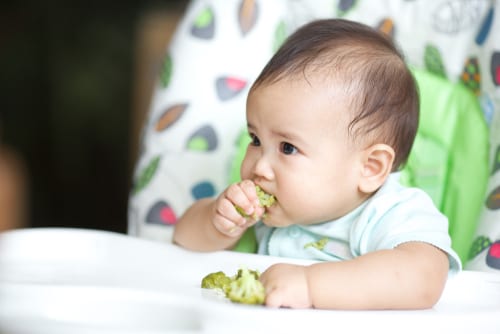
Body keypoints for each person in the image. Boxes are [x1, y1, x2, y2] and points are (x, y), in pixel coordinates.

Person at [173, 18, 461, 310]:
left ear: (370, 168)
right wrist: (219, 223)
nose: (260, 166)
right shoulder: (267, 205)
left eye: (288, 147)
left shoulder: (390, 214)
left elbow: (423, 279)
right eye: (255, 139)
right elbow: (183, 239)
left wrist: (311, 285)